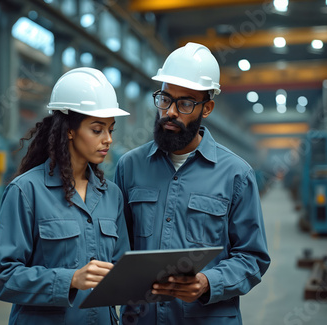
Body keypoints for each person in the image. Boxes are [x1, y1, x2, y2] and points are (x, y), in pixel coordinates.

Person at [114, 42, 271, 325]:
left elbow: (253, 258)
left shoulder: (236, 174)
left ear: (207, 108)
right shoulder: (130, 167)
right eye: (165, 98)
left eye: (185, 103)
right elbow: (117, 247)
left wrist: (208, 282)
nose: (170, 112)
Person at [0, 67, 130, 324]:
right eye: (97, 130)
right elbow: (0, 277)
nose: (108, 139)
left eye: (111, 129)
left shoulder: (112, 195)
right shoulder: (26, 191)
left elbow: (120, 267)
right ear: (69, 131)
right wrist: (70, 280)